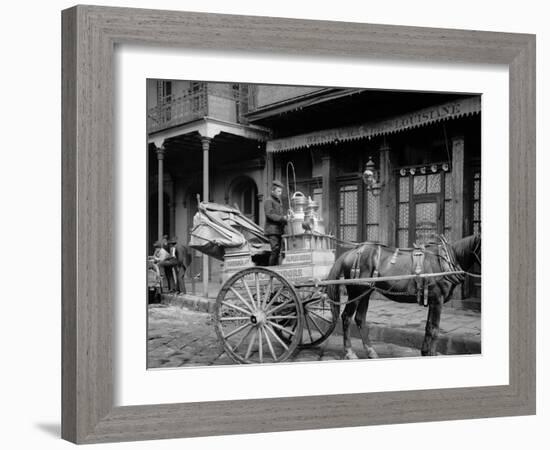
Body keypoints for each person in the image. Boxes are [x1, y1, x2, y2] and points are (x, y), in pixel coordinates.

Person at [264, 180, 288, 266]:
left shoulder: (277, 201)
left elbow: (279, 214)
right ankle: (271, 270)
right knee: (275, 251)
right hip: (272, 230)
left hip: (279, 230)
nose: (280, 193)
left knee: (279, 251)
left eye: (281, 191)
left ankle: (277, 269)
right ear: (272, 191)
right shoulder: (268, 201)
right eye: (278, 191)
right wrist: (282, 218)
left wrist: (286, 217)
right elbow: (269, 214)